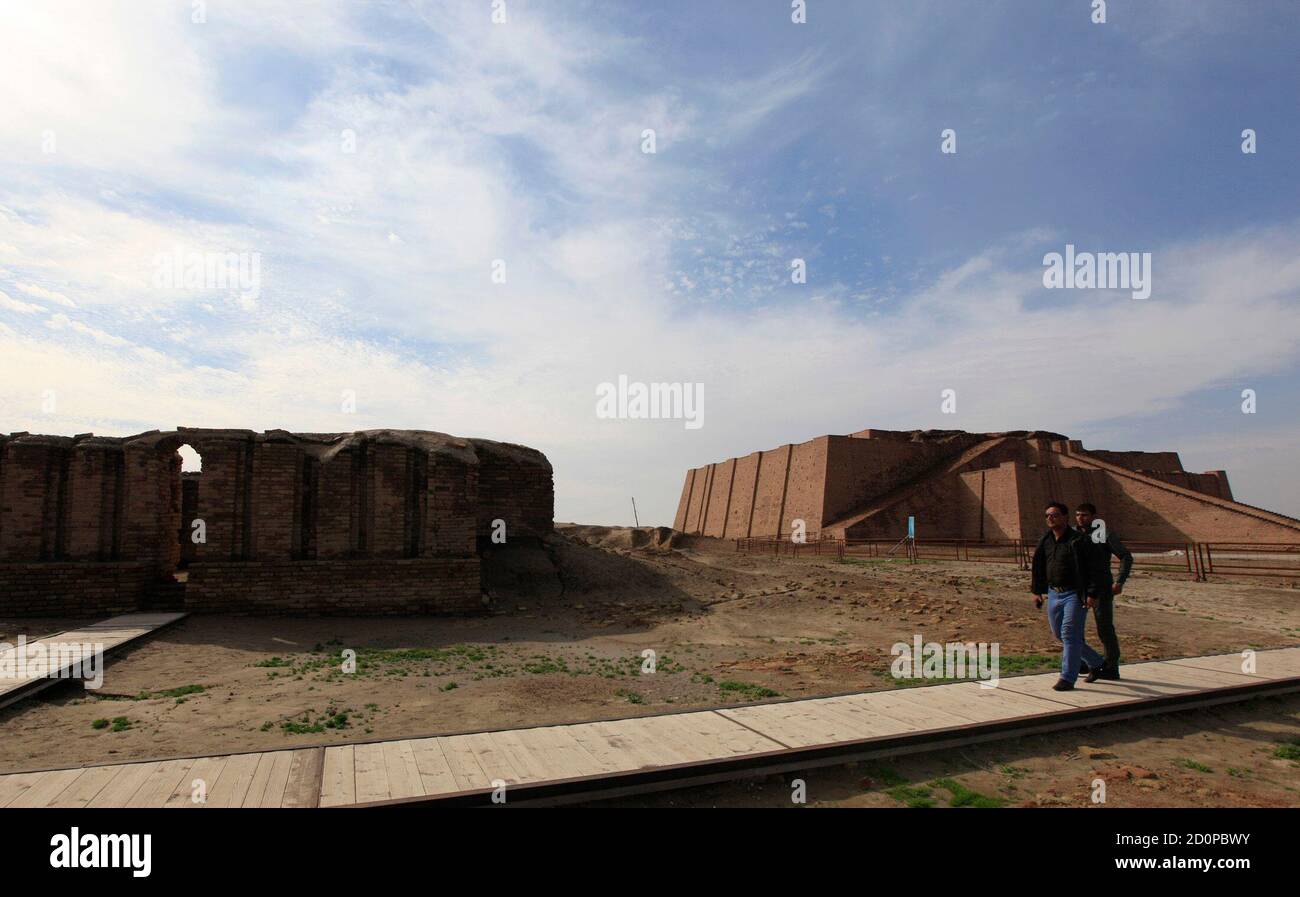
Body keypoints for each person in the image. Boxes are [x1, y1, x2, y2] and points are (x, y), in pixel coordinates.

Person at [1030, 501, 1106, 690]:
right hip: (1054, 593)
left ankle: (1067, 678)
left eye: (1054, 515)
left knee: (1070, 634)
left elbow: (1095, 569)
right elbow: (1038, 566)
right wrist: (1036, 591)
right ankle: (1096, 662)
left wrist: (1091, 593)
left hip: (1075, 593)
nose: (1050, 518)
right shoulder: (1046, 540)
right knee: (1059, 634)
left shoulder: (1080, 540)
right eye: (1047, 515)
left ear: (1065, 517)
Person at [1074, 502, 1133, 682]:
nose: (1080, 518)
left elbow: (1125, 556)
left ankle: (1110, 666)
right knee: (1074, 628)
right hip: (1079, 587)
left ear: (1093, 516)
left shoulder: (1103, 534)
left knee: (1104, 628)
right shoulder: (1074, 534)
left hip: (1101, 587)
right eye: (1077, 515)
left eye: (1084, 515)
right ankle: (1083, 661)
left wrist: (1120, 580)